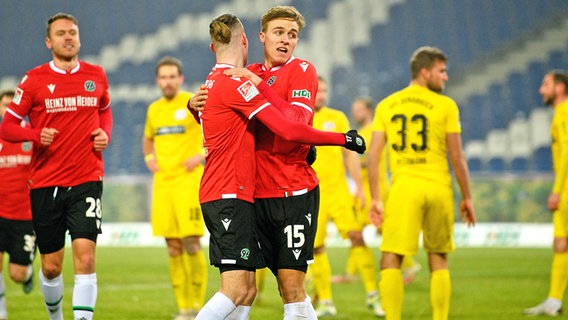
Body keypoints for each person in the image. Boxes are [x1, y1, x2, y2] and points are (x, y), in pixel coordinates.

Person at [193, 13, 365, 320]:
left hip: (293, 194)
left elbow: (296, 123)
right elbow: (224, 120)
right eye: (279, 32)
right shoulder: (245, 74)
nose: (285, 39)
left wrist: (262, 86)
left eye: (293, 34)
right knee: (245, 289)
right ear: (260, 37)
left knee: (290, 286)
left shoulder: (301, 71)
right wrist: (193, 106)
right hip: (254, 198)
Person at [0, 13, 112, 320]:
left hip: (87, 178)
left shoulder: (96, 75)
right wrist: (34, 135)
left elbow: (105, 111)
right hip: (46, 183)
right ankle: (55, 316)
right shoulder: (33, 80)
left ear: (79, 38)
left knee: (86, 258)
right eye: (61, 33)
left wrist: (105, 133)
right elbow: (7, 127)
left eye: (72, 32)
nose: (68, 37)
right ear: (49, 42)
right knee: (50, 266)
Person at [368, 46, 476, 320]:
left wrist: (376, 198)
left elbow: (375, 156)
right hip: (439, 186)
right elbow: (457, 156)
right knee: (438, 258)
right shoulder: (446, 105)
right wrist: (467, 197)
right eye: (441, 71)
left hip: (405, 188)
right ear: (425, 72)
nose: (446, 77)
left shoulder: (387, 105)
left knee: (391, 257)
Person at [309, 77, 384, 317]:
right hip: (313, 194)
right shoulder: (301, 117)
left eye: (325, 90)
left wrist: (359, 188)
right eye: (318, 90)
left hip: (339, 192)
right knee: (317, 248)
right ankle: (327, 302)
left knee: (357, 237)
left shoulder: (338, 117)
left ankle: (373, 295)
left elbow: (350, 154)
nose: (322, 94)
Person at [142, 56, 207, 320]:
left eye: (172, 77)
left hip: (189, 182)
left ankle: (198, 304)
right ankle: (183, 307)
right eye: (163, 77)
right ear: (158, 81)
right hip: (164, 184)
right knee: (172, 246)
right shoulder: (154, 110)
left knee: (192, 243)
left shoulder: (193, 101)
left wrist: (202, 154)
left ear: (180, 79)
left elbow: (216, 131)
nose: (167, 82)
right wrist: (150, 159)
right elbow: (148, 140)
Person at [338, 97, 421, 286]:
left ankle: (408, 263)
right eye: (354, 109)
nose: (355, 113)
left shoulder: (376, 131)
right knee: (358, 230)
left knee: (376, 230)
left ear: (368, 110)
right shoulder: (360, 132)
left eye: (358, 109)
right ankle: (352, 271)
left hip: (377, 189)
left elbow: (371, 159)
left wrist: (350, 160)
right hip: (365, 190)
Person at [524, 70, 568, 316]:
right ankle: (554, 301)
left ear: (560, 88)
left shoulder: (564, 114)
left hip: (566, 190)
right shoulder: (559, 115)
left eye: (546, 84)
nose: (542, 89)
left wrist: (557, 191)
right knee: (561, 244)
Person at [0, 90, 35, 320]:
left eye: (11, 105)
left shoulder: (32, 137)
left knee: (17, 274)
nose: (7, 109)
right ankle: (1, 311)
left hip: (25, 216)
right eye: (4, 105)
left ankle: (28, 272)